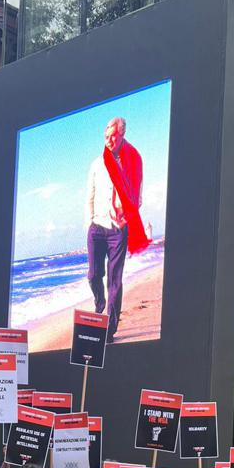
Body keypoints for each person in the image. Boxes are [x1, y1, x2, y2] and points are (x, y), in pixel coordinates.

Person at [86, 115, 148, 342]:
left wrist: (125, 210)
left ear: (122, 134)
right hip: (97, 225)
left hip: (118, 229)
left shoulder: (133, 160)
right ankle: (99, 302)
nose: (108, 141)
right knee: (93, 275)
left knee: (115, 279)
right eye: (105, 137)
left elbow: (138, 197)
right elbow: (89, 196)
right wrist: (89, 223)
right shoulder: (96, 164)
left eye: (112, 136)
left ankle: (109, 330)